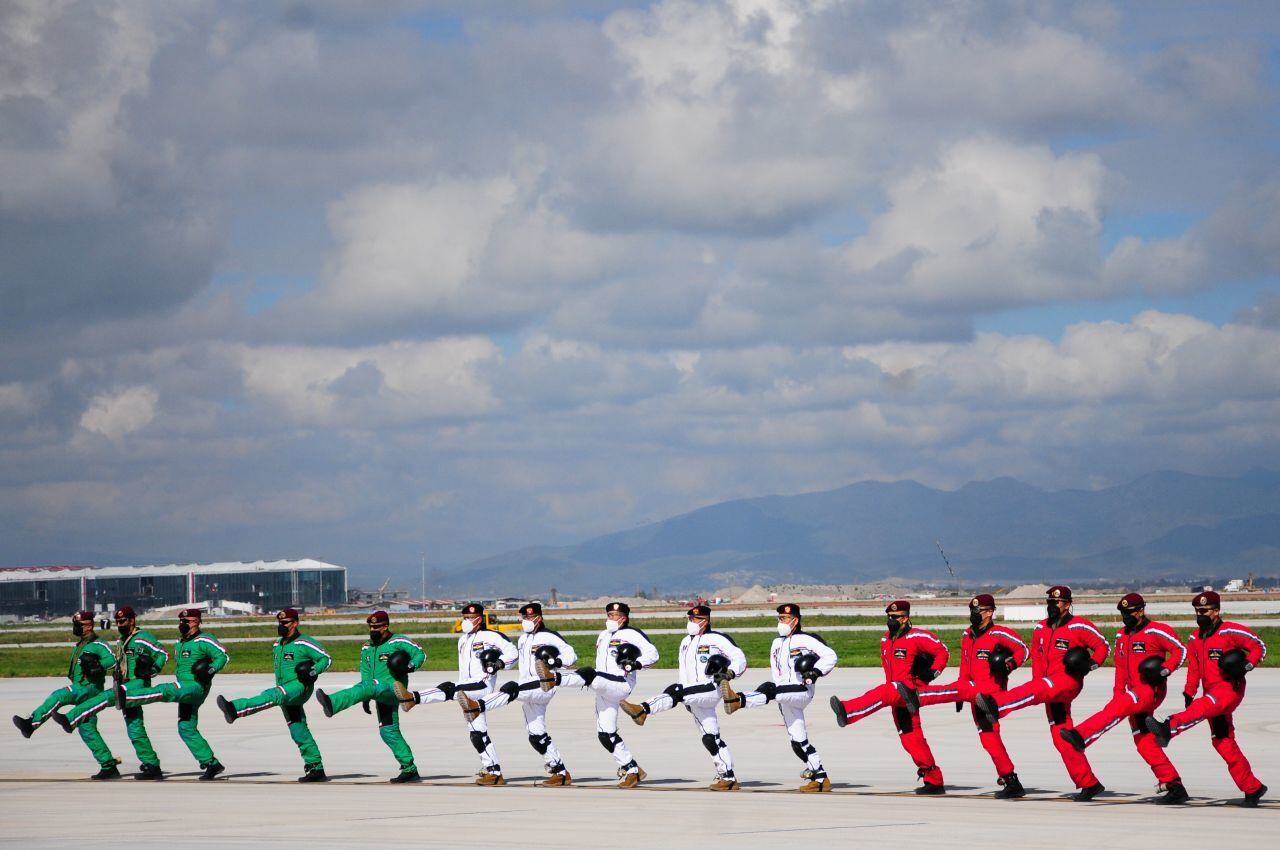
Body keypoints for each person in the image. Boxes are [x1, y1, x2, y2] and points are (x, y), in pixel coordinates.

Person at [974, 585, 1110, 801]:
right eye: (1049, 603)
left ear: (1067, 604)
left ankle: (997, 705)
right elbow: (1037, 659)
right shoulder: (1040, 628)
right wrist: (1037, 683)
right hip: (1047, 687)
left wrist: (1091, 665)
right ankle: (1089, 783)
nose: (1052, 606)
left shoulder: (1080, 626)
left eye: (1056, 603)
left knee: (1036, 688)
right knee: (1061, 736)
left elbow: (1103, 646)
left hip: (1067, 682)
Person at [1057, 593, 1188, 804]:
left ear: (1140, 611)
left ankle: (1082, 737)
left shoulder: (1157, 630)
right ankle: (1173, 784)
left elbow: (1180, 651)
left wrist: (1165, 670)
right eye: (1122, 614)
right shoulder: (1121, 636)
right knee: (1144, 742)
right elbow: (1120, 669)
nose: (1125, 617)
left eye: (1128, 613)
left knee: (1121, 706)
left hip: (1149, 691)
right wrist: (1117, 694)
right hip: (1131, 693)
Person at [1145, 591, 1268, 807]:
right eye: (1197, 611)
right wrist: (1189, 691)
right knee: (1223, 742)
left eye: (1204, 611)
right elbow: (1194, 668)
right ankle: (1253, 788)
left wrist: (1248, 665)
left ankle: (1168, 728)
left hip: (1229, 689)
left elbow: (1259, 646)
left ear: (1217, 611)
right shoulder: (1195, 637)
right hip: (1209, 691)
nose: (1200, 614)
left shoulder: (1230, 631)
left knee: (1204, 707)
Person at [904, 594, 1029, 799]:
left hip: (990, 694)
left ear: (989, 612)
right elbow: (965, 667)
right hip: (972, 695)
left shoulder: (1001, 633)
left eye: (977, 611)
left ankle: (918, 696)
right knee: (989, 739)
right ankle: (1011, 780)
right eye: (971, 611)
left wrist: (1009, 665)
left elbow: (1023, 650)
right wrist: (960, 697)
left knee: (959, 690)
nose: (973, 615)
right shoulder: (968, 635)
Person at [621, 605, 747, 790]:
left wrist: (730, 673)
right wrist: (687, 699)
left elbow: (740, 658)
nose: (692, 623)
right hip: (693, 695)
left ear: (707, 620)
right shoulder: (685, 642)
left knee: (676, 690)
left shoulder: (718, 639)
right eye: (690, 619)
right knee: (710, 737)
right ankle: (727, 777)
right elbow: (684, 671)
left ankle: (643, 710)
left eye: (696, 619)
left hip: (710, 689)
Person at [829, 600, 950, 793]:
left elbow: (943, 652)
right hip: (897, 696)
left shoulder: (918, 636)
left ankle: (848, 711)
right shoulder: (886, 639)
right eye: (889, 617)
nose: (891, 620)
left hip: (908, 690)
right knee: (910, 738)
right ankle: (933, 778)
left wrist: (931, 674)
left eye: (895, 617)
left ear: (906, 618)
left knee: (882, 693)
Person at [394, 602, 517, 785]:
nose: (467, 621)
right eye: (465, 617)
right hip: (467, 692)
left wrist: (499, 663)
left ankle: (412, 698)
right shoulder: (462, 640)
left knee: (450, 688)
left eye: (471, 617)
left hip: (481, 685)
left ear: (480, 618)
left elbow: (513, 652)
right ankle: (494, 771)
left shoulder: (491, 636)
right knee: (477, 734)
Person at [721, 603, 837, 791]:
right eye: (779, 618)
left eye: (784, 618)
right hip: (785, 696)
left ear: (795, 620)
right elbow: (777, 671)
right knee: (798, 742)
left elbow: (830, 656)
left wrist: (815, 672)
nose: (780, 621)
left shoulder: (807, 640)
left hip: (801, 690)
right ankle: (821, 778)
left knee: (770, 689)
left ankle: (739, 701)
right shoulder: (776, 643)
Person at [465, 602, 579, 785]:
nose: (525, 621)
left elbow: (571, 655)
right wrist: (500, 664)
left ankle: (478, 706)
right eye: (523, 617)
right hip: (529, 689)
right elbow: (514, 661)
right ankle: (560, 772)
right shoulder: (523, 639)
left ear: (538, 618)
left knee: (512, 689)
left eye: (529, 617)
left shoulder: (550, 636)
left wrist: (555, 662)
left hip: (543, 685)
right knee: (536, 735)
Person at [217, 608, 332, 782]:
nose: (282, 625)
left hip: (299, 687)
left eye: (285, 623)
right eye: (280, 623)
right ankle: (316, 768)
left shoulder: (305, 643)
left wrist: (313, 671)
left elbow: (326, 659)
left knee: (272, 695)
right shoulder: (277, 644)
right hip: (285, 688)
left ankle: (235, 709)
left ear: (295, 623)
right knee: (298, 730)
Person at [554, 601, 659, 787]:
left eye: (616, 616)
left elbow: (653, 654)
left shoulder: (633, 634)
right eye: (609, 615)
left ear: (624, 618)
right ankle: (631, 768)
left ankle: (554, 679)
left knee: (588, 674)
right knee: (605, 734)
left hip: (620, 682)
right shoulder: (603, 635)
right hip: (604, 687)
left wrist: (636, 663)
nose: (612, 618)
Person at [57, 607, 170, 779]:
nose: (120, 624)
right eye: (117, 621)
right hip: (124, 684)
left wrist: (153, 669)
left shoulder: (143, 638)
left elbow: (163, 653)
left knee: (104, 698)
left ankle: (72, 718)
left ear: (132, 620)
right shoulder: (122, 640)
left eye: (123, 621)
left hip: (136, 685)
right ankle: (152, 765)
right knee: (134, 727)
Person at [119, 608, 230, 780]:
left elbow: (223, 656)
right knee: (185, 727)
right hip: (186, 692)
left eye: (186, 621)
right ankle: (211, 763)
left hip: (194, 687)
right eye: (181, 621)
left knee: (166, 690)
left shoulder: (205, 640)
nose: (183, 624)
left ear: (196, 622)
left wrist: (210, 670)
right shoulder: (181, 642)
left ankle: (128, 697)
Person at [11, 610, 123, 779]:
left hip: (89, 688)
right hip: (82, 687)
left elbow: (113, 659)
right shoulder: (80, 645)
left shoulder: (98, 644)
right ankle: (108, 765)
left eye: (78, 625)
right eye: (74, 625)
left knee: (59, 696)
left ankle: (31, 724)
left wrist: (99, 665)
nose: (75, 628)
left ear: (89, 625)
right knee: (87, 729)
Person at [316, 610, 425, 782]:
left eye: (377, 627)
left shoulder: (398, 640)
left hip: (394, 688)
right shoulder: (367, 646)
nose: (373, 630)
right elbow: (365, 671)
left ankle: (332, 703)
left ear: (386, 626)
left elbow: (420, 653)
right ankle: (409, 769)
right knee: (387, 731)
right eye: (371, 627)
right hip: (376, 690)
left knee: (370, 685)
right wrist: (365, 697)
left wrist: (411, 665)